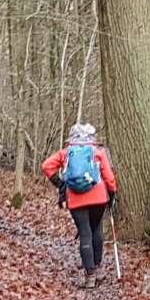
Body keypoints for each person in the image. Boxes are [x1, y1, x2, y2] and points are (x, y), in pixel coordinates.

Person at [43, 123, 117, 287]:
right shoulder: (98, 152)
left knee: (85, 233)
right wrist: (112, 193)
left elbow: (46, 166)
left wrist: (60, 184)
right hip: (99, 198)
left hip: (76, 199)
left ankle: (90, 275)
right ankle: (98, 268)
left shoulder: (66, 152)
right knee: (96, 229)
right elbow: (109, 177)